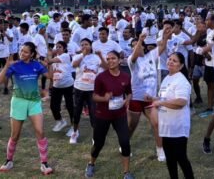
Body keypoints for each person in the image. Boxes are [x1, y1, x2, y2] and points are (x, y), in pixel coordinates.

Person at [0, 42, 53, 175]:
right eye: (21, 50)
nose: (22, 53)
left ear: (32, 54)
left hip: (34, 102)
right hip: (18, 102)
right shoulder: (15, 65)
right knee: (15, 135)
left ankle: (44, 163)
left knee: (40, 132)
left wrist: (49, 64)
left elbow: (50, 77)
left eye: (26, 52)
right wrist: (6, 66)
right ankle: (9, 161)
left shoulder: (36, 65)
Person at [85, 51, 134, 179]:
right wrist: (104, 98)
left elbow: (129, 92)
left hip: (120, 115)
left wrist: (128, 99)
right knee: (98, 144)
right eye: (108, 59)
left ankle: (126, 172)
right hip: (103, 115)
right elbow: (94, 96)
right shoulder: (101, 77)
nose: (110, 61)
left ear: (119, 60)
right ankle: (91, 163)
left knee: (125, 142)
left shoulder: (125, 76)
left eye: (113, 58)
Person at [148, 52, 194, 179]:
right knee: (170, 159)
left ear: (181, 65)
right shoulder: (167, 78)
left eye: (175, 60)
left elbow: (181, 102)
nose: (170, 62)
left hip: (177, 127)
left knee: (181, 158)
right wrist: (153, 98)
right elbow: (165, 98)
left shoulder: (181, 81)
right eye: (169, 59)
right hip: (166, 127)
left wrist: (161, 103)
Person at [128, 33, 166, 162]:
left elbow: (162, 47)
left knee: (157, 123)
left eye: (138, 46)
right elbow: (134, 56)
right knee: (132, 126)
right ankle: (125, 143)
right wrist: (139, 40)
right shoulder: (131, 60)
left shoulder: (150, 56)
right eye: (133, 46)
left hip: (150, 99)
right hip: (136, 98)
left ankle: (160, 150)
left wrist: (166, 36)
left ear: (144, 47)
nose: (136, 48)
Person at [69, 38, 107, 144]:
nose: (84, 46)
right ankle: (75, 132)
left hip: (92, 90)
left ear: (91, 46)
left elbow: (106, 67)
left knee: (94, 113)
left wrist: (100, 56)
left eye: (86, 44)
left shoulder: (96, 57)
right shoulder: (77, 56)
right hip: (79, 88)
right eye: (82, 45)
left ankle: (95, 135)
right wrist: (83, 55)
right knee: (76, 113)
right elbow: (74, 65)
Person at [45, 41, 75, 134]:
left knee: (70, 106)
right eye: (56, 47)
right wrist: (49, 64)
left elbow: (49, 61)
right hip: (56, 85)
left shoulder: (66, 56)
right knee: (53, 106)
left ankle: (74, 127)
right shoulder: (54, 60)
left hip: (67, 85)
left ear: (64, 48)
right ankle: (60, 121)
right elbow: (50, 75)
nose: (57, 48)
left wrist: (47, 57)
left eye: (60, 47)